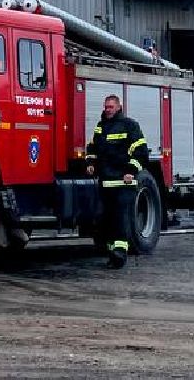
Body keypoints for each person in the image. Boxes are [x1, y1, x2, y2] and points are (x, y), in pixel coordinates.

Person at [86, 93, 147, 269]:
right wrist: (90, 162)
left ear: (119, 107)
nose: (107, 110)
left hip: (123, 182)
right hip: (106, 183)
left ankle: (120, 255)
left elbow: (140, 151)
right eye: (105, 107)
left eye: (110, 107)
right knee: (106, 220)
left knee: (120, 220)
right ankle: (112, 254)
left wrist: (131, 171)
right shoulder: (101, 126)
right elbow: (93, 146)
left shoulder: (130, 125)